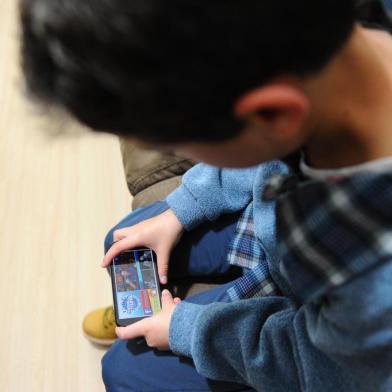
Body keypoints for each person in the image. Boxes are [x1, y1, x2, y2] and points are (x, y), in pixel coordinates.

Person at [20, 0, 392, 391]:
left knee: (123, 371)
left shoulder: (371, 287)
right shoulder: (326, 60)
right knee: (126, 240)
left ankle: (152, 320)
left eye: (186, 146)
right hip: (272, 222)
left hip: (316, 328)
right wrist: (179, 212)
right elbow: (260, 154)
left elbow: (315, 365)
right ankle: (144, 314)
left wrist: (188, 327)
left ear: (273, 114)